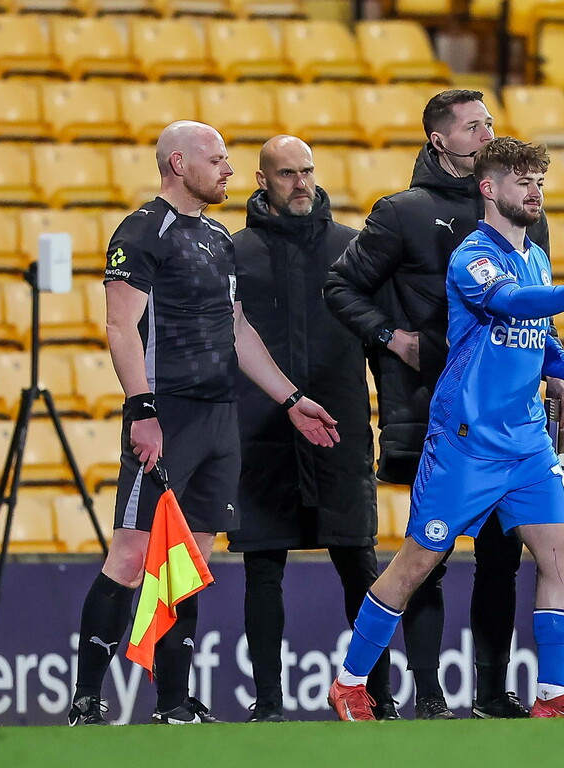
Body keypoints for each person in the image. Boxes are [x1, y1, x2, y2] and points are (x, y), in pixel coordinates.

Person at [326, 136, 564, 721]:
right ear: (488, 189)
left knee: (560, 553)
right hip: (466, 442)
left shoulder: (535, 255)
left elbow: (535, 336)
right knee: (417, 561)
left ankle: (552, 696)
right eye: (523, 181)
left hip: (525, 442)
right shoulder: (474, 256)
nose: (535, 191)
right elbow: (510, 304)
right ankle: (349, 680)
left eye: (539, 180)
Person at [67, 121, 340, 726]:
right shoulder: (141, 232)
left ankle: (172, 702)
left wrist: (290, 398)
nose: (229, 171)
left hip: (222, 418)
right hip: (168, 414)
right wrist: (141, 408)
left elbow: (239, 330)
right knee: (133, 555)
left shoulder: (219, 236)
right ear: (177, 162)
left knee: (188, 562)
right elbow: (119, 327)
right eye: (217, 160)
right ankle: (86, 698)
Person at [228, 135, 395, 722]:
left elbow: (383, 339)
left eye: (307, 171)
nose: (301, 183)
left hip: (342, 428)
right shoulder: (235, 253)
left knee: (360, 565)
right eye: (286, 174)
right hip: (260, 436)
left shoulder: (355, 249)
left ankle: (377, 697)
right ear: (261, 180)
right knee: (262, 566)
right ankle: (268, 705)